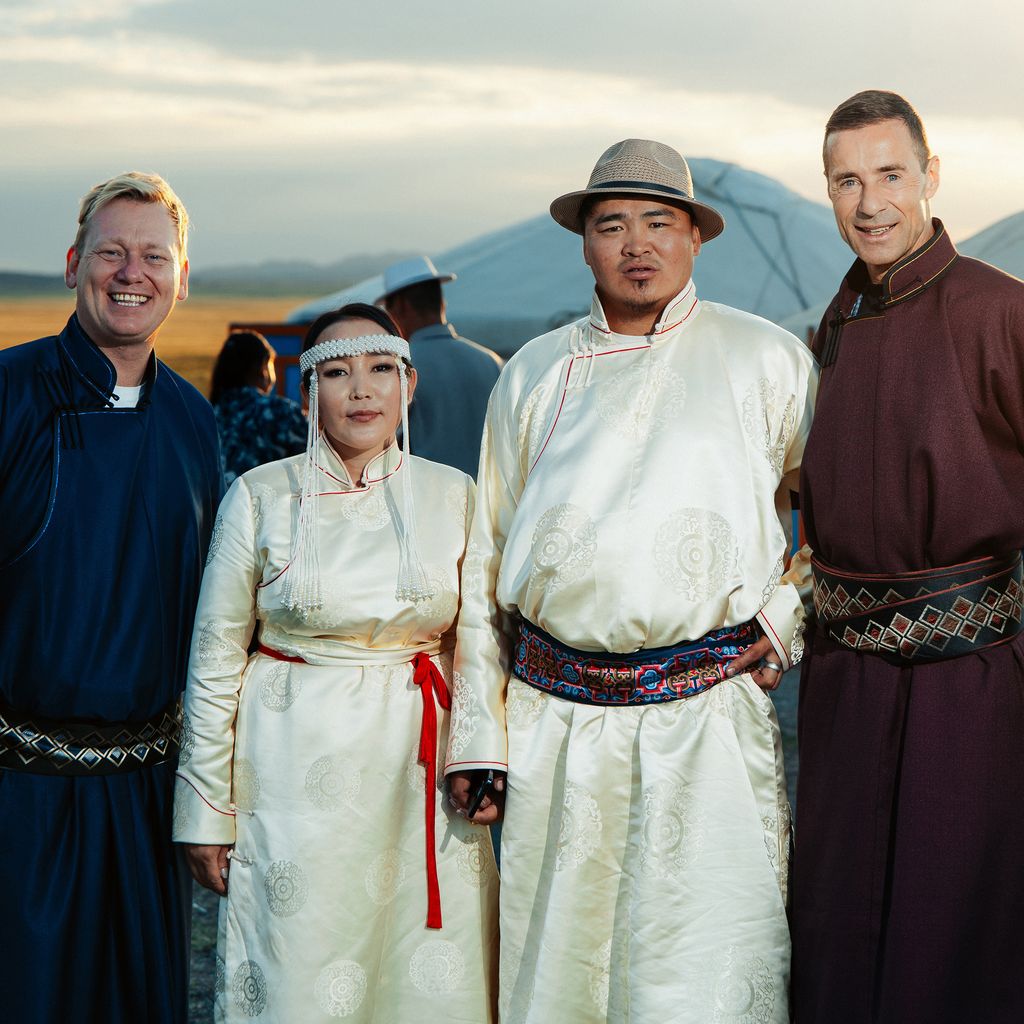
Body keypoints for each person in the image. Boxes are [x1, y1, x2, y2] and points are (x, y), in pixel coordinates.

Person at [446, 139, 818, 1023]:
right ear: (584, 243)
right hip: (554, 726)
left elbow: (837, 516)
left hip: (708, 722)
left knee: (705, 970)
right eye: (613, 225)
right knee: (561, 977)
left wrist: (785, 618)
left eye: (660, 222)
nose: (637, 244)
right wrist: (479, 734)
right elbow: (485, 563)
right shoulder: (532, 375)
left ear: (696, 237)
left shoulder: (767, 361)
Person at [173, 302, 499, 1022]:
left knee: (423, 981)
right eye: (337, 371)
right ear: (306, 390)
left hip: (422, 778)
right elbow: (214, 657)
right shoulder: (258, 497)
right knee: (298, 970)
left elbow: (478, 640)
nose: (361, 390)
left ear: (408, 386)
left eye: (381, 368)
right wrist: (205, 810)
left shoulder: (455, 495)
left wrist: (480, 759)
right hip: (290, 777)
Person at [791, 90, 1024, 1024]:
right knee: (840, 932)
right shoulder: (836, 323)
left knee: (958, 936)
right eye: (846, 181)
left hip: (968, 689)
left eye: (890, 174)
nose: (870, 202)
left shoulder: (1001, 310)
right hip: (847, 691)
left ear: (931, 177)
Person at [0, 172, 221, 1023]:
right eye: (112, 252)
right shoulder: (10, 395)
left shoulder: (193, 424)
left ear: (181, 278)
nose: (132, 274)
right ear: (72, 264)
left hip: (145, 799)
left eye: (154, 257)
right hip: (21, 796)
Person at [378, 255, 502, 477]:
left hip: (429, 498)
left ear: (401, 308)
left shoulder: (398, 367)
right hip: (487, 499)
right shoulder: (490, 361)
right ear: (442, 302)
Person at [209, 329, 307, 486]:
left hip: (220, 508)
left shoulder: (210, 413)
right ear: (262, 367)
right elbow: (317, 459)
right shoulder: (279, 411)